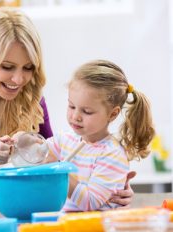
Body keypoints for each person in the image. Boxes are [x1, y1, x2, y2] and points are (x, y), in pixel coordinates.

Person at [0, 8, 134, 214]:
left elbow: (52, 169)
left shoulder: (30, 96)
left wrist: (107, 185)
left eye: (28, 68)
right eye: (7, 67)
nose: (19, 79)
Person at [44, 59, 155, 211]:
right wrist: (22, 142)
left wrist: (57, 173)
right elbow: (39, 155)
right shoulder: (66, 139)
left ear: (112, 114)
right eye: (71, 106)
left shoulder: (112, 154)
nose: (75, 116)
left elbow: (90, 202)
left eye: (87, 111)